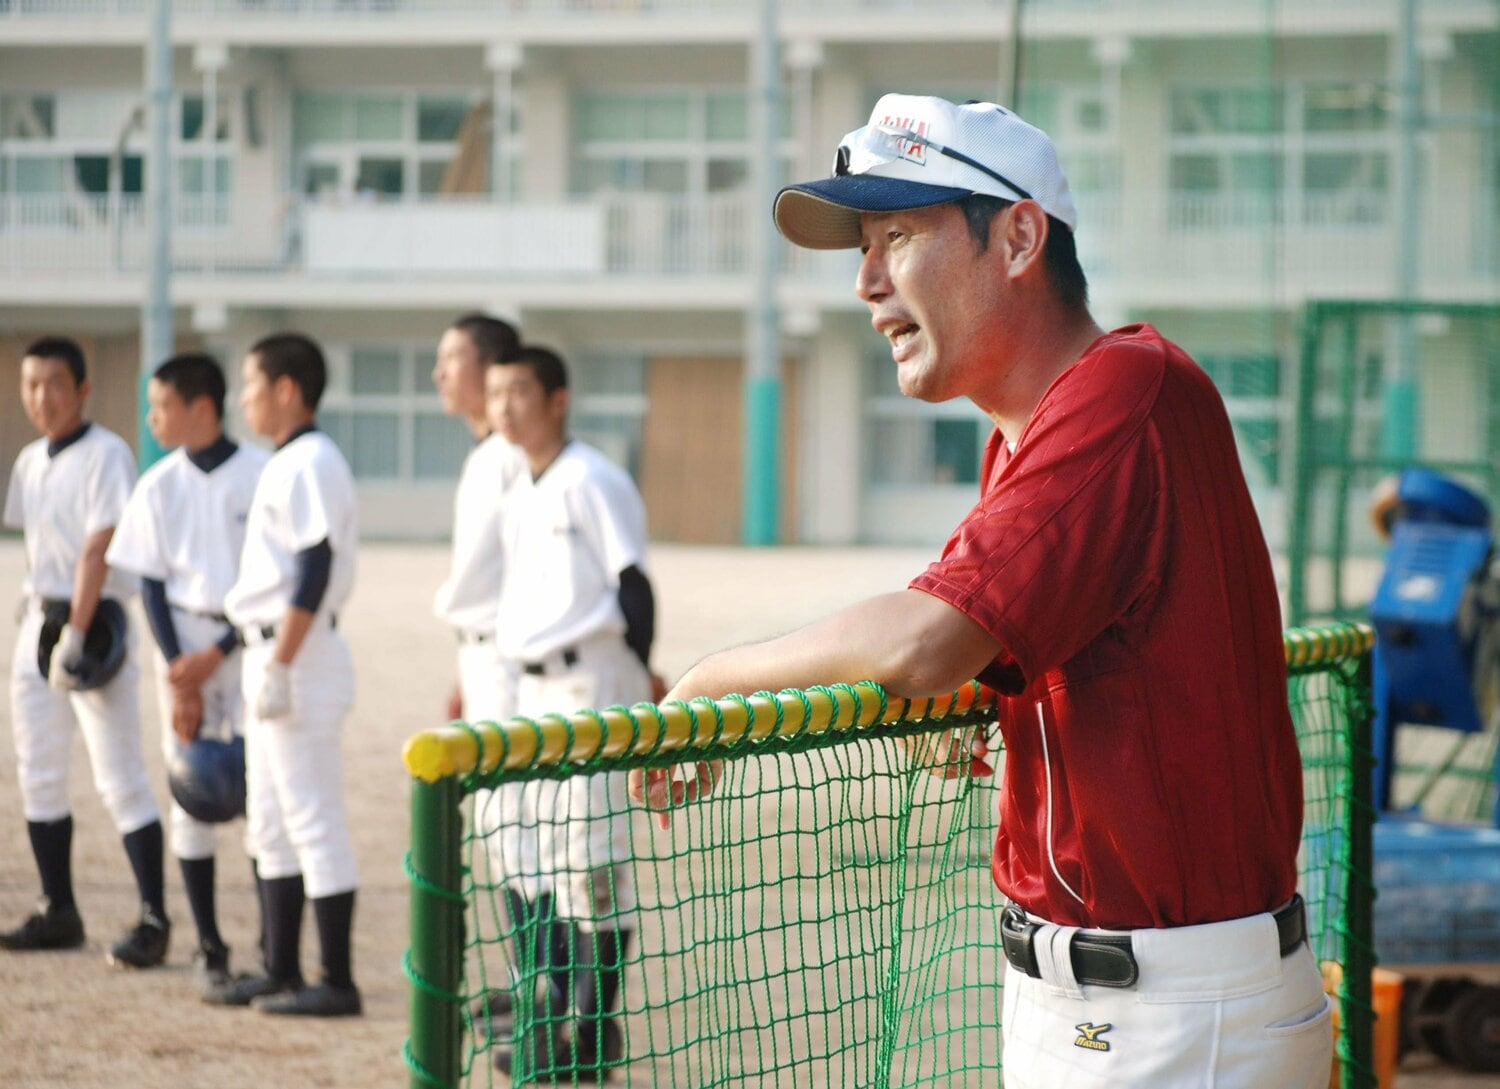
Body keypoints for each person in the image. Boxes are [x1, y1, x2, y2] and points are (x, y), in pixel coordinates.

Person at [629, 94, 1330, 1089]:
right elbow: (991, 651)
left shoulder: (1125, 389)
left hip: (1177, 1017)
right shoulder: (1027, 433)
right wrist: (973, 694)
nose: (868, 284)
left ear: (1018, 238)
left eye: (900, 236)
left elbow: (924, 641)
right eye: (863, 248)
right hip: (1101, 1002)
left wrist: (709, 681)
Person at [486, 345, 661, 1080]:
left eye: (519, 391)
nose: (504, 407)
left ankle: (591, 1035)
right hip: (530, 690)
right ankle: (554, 1019)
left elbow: (635, 587)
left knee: (591, 858)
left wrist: (641, 687)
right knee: (525, 847)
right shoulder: (519, 485)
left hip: (593, 683)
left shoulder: (593, 476)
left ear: (557, 398)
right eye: (495, 394)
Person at [2, 335, 172, 969]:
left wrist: (75, 635)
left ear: (82, 389)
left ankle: (154, 917)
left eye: (54, 383)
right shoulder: (29, 461)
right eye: (30, 384)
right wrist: (41, 622)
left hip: (92, 624)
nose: (41, 397)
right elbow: (40, 545)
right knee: (38, 770)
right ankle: (58, 908)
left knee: (117, 772)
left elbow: (98, 547)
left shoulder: (107, 454)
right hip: (38, 619)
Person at [104, 352, 269, 1000]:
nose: (152, 417)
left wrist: (219, 651)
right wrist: (181, 673)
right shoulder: (159, 482)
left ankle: (268, 949)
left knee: (264, 799)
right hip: (182, 644)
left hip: (244, 643)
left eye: (161, 404)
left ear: (201, 405)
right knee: (191, 794)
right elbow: (150, 581)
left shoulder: (260, 472)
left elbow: (275, 582)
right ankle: (209, 944)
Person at [217, 332, 362, 1017]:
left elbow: (316, 565)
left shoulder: (311, 459)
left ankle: (336, 979)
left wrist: (279, 662)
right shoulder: (287, 461)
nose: (244, 398)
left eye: (251, 384)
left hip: (295, 656)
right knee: (269, 822)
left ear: (287, 389)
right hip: (269, 653)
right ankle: (280, 967)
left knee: (312, 819)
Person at [430, 313, 532, 1030]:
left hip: (507, 651)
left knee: (520, 827)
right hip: (482, 653)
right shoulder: (487, 456)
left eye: (452, 358)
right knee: (506, 831)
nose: (440, 373)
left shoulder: (508, 457)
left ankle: (542, 991)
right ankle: (532, 981)